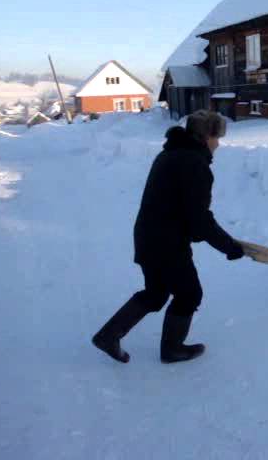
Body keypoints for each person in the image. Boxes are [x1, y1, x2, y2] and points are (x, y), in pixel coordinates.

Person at [92, 110, 245, 364]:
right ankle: (172, 349)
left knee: (156, 293)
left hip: (149, 236)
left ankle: (109, 335)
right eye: (217, 137)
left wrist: (206, 236)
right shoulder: (194, 164)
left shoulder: (171, 154)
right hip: (166, 242)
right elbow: (199, 219)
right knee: (189, 294)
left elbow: (184, 210)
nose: (218, 144)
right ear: (206, 136)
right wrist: (229, 247)